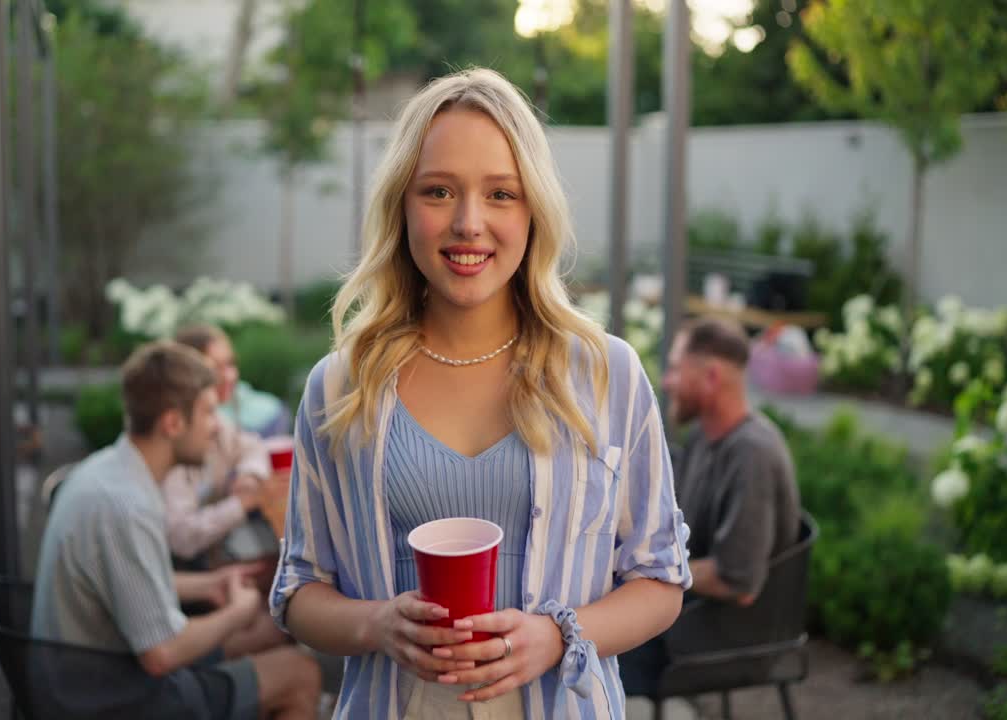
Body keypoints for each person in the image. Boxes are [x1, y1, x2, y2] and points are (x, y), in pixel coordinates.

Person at [269, 68, 692, 718]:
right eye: (438, 191)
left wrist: (557, 637)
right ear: (402, 206)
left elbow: (660, 580)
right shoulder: (340, 388)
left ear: (533, 211)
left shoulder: (609, 375)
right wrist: (378, 624)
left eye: (501, 194)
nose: (469, 223)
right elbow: (299, 588)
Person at [32, 341, 321, 719]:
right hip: (111, 697)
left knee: (271, 633)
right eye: (207, 412)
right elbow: (161, 654)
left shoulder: (108, 472)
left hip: (83, 675)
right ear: (172, 423)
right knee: (300, 672)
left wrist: (211, 583)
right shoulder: (125, 507)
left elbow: (128, 580)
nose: (216, 426)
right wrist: (238, 610)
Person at [620, 318, 801, 697]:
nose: (666, 383)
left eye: (674, 369)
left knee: (590, 644)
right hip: (695, 613)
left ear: (712, 376)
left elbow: (737, 579)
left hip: (727, 636)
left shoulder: (751, 454)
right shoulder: (705, 434)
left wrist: (633, 569)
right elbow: (669, 526)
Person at [164, 324, 286, 566]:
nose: (229, 376)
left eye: (230, 364)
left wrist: (249, 475)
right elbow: (181, 538)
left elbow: (251, 446)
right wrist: (243, 502)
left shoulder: (216, 421)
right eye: (215, 368)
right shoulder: (177, 440)